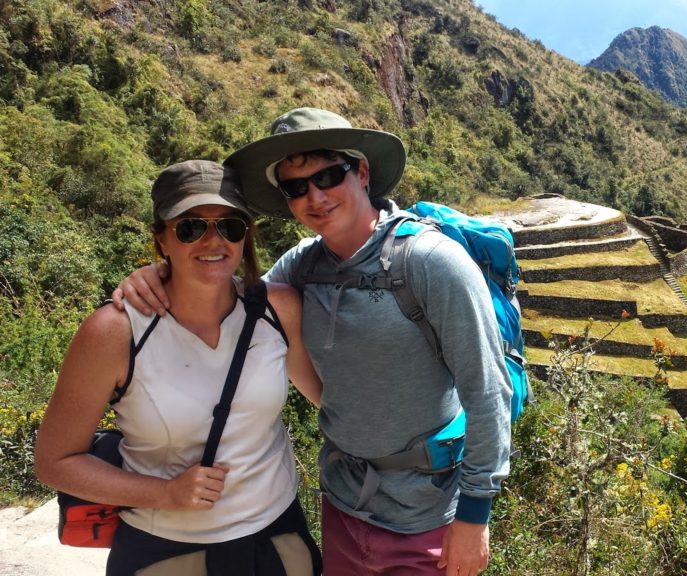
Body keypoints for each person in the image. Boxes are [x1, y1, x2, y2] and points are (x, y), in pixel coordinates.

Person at [114, 109, 513, 576]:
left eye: (328, 176)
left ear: (362, 172)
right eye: (296, 187)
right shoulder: (303, 265)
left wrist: (474, 518)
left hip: (425, 514)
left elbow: (487, 392)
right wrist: (158, 273)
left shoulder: (429, 262)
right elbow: (225, 297)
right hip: (343, 506)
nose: (315, 196)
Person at [36, 160, 324, 575]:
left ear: (246, 237)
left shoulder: (278, 310)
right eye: (191, 227)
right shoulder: (116, 332)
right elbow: (54, 461)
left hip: (277, 539)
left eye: (230, 226)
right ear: (162, 240)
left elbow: (331, 401)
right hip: (167, 551)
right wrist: (165, 493)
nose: (214, 240)